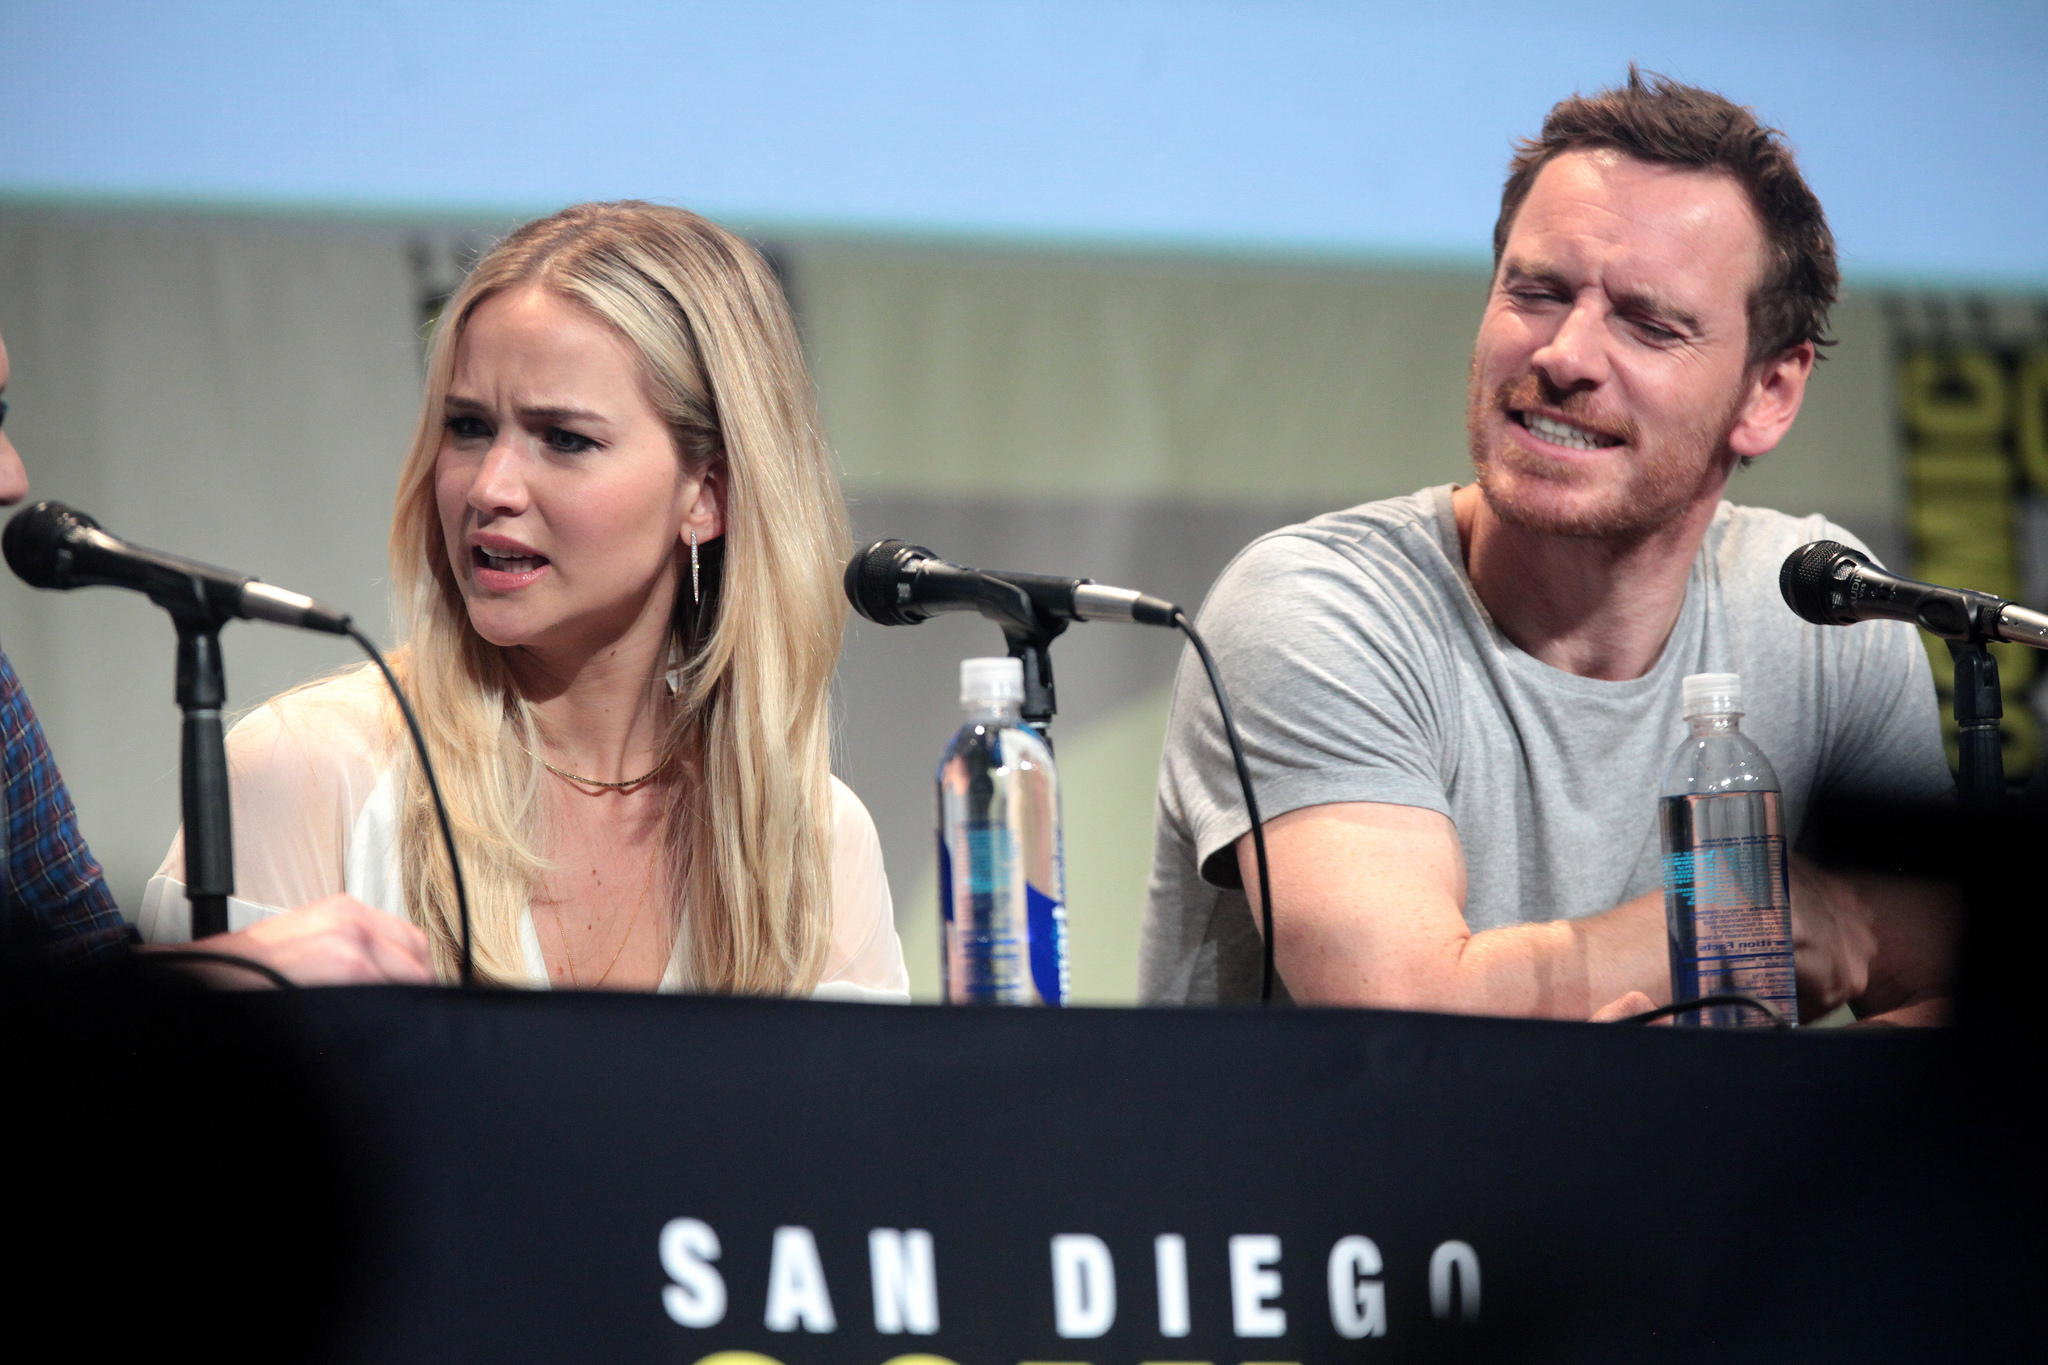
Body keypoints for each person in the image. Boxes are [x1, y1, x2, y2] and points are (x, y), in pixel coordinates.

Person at [1142, 71, 1955, 1020]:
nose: (1564, 355)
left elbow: (1949, 1000)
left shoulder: (1823, 617)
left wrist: (1740, 1105)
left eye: (1648, 324)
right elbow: (1402, 1012)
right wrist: (1739, 918)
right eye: (1536, 292)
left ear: (1768, 393)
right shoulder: (1317, 607)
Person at [140, 202, 908, 998]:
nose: (490, 487)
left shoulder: (815, 841)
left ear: (707, 494)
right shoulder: (305, 769)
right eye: (468, 427)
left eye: (564, 438)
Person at [0, 321, 431, 982]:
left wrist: (219, 973)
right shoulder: (296, 757)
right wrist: (219, 975)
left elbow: (77, 964)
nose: (14, 479)